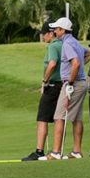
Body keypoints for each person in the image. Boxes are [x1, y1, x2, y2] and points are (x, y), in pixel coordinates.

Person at [40, 17, 90, 160]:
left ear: (63, 30)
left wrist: (70, 81)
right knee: (77, 118)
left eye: (56, 29)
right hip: (81, 83)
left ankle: (56, 152)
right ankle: (76, 151)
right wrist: (79, 69)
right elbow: (88, 54)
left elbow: (75, 63)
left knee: (59, 116)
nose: (55, 32)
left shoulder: (67, 44)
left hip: (73, 84)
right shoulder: (74, 42)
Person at [22, 22, 62, 161]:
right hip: (62, 86)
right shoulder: (64, 45)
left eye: (44, 34)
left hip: (52, 86)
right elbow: (86, 55)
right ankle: (57, 151)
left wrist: (45, 81)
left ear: (51, 33)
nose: (42, 37)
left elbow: (52, 63)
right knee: (58, 118)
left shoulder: (53, 46)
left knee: (42, 119)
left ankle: (39, 151)